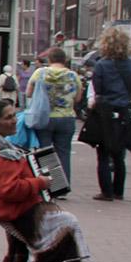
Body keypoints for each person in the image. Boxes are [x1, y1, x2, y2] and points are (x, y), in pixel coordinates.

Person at [0, 98, 92, 262]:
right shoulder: (0, 151)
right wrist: (40, 182)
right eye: (8, 118)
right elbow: (9, 190)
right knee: (66, 221)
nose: (14, 121)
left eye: (14, 115)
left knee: (49, 212)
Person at [85, 27, 131, 202]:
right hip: (123, 110)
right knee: (119, 154)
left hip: (104, 110)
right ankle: (119, 191)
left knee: (103, 154)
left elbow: (98, 88)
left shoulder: (101, 65)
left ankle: (106, 192)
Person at [25, 47, 83, 181]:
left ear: (49, 59)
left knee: (45, 153)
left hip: (44, 118)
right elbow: (78, 98)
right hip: (66, 118)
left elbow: (28, 93)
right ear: (65, 60)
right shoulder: (73, 76)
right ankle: (63, 186)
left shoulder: (40, 73)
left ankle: (49, 185)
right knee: (64, 153)